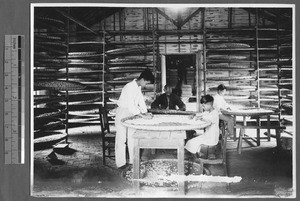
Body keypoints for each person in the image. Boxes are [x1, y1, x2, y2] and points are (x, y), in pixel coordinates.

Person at [115, 69, 155, 169]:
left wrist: (146, 112)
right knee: (121, 139)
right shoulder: (129, 87)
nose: (146, 85)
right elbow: (131, 106)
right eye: (146, 82)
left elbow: (141, 101)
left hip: (131, 114)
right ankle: (121, 164)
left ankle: (133, 161)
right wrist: (143, 116)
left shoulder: (138, 88)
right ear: (142, 79)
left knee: (132, 137)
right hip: (123, 112)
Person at [185, 95, 219, 160]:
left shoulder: (214, 113)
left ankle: (196, 159)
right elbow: (201, 114)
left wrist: (200, 118)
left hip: (211, 138)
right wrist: (194, 115)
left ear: (209, 104)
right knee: (191, 142)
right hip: (207, 136)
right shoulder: (208, 112)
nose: (203, 107)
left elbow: (208, 119)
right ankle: (196, 156)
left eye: (204, 106)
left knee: (191, 142)